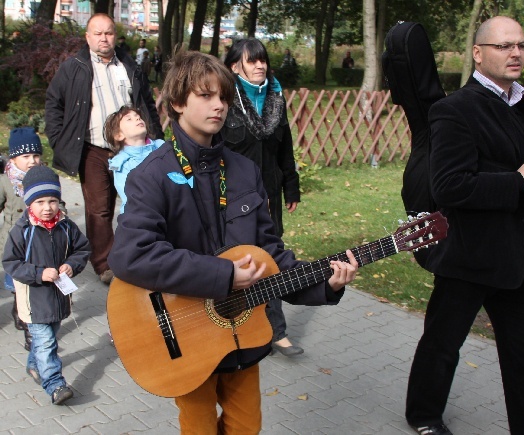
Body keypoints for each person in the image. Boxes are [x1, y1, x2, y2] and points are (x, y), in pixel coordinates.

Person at [107, 49, 358, 433]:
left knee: (246, 428)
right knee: (200, 428)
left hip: (244, 335)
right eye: (206, 96)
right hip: (185, 338)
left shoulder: (244, 170)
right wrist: (222, 274)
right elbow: (130, 255)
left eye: (224, 97)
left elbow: (270, 255)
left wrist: (326, 282)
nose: (219, 105)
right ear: (177, 102)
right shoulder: (151, 175)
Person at [404, 16, 524, 435]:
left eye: (520, 45)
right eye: (504, 46)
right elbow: (449, 187)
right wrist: (521, 180)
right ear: (479, 54)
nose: (515, 52)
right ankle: (424, 417)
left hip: (515, 253)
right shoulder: (453, 109)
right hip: (467, 252)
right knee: (443, 344)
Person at [44, 13, 164, 285]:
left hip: (130, 149)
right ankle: (104, 264)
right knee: (99, 209)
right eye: (97, 33)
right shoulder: (74, 67)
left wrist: (156, 134)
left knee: (140, 203)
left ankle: (139, 255)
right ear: (87, 37)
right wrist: (58, 138)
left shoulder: (129, 65)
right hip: (93, 149)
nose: (103, 38)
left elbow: (145, 102)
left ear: (114, 35)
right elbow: (53, 102)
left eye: (108, 33)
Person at [223, 38, 304, 357]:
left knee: (269, 260)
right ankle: (236, 332)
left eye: (263, 60)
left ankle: (276, 331)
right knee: (235, 263)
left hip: (268, 195)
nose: (260, 66)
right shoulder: (224, 99)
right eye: (252, 60)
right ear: (235, 66)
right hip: (231, 199)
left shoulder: (275, 98)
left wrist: (291, 186)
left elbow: (285, 148)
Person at [2, 166, 90, 406]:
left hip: (59, 298)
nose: (47, 207)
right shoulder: (22, 231)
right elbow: (10, 262)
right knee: (47, 343)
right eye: (40, 201)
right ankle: (54, 384)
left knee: (48, 338)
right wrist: (39, 274)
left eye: (52, 200)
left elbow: (82, 249)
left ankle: (34, 365)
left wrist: (72, 265)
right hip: (34, 300)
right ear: (30, 203)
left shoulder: (66, 226)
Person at [0, 127, 43, 350]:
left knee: (31, 289)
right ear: (14, 158)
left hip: (39, 246)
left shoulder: (44, 178)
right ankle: (18, 309)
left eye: (36, 155)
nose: (32, 161)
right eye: (26, 156)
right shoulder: (5, 182)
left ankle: (30, 329)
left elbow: (56, 200)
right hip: (13, 246)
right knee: (16, 287)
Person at [105, 106, 165, 213]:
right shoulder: (123, 164)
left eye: (138, 117)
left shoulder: (162, 147)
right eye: (129, 119)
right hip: (141, 216)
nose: (138, 119)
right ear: (119, 135)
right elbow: (130, 197)